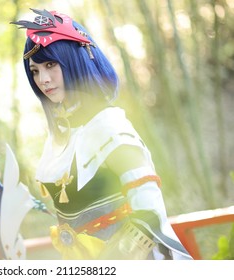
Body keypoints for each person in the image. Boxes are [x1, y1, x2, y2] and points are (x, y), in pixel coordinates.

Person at [11, 8, 193, 260]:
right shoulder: (61, 135)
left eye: (50, 65)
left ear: (74, 60)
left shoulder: (108, 125)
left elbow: (148, 212)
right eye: (35, 70)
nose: (43, 79)